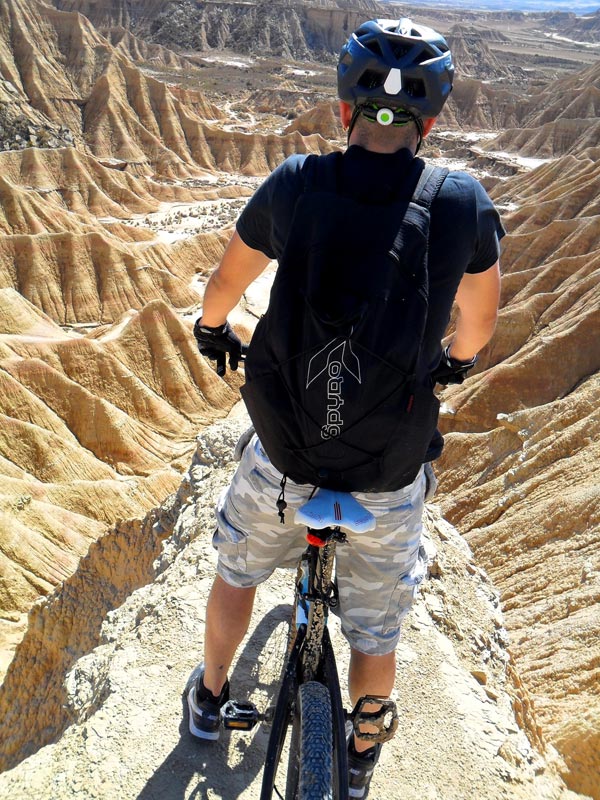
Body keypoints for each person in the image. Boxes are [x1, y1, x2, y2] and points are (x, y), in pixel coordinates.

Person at [188, 18, 503, 798]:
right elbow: (481, 326)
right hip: (388, 470)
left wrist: (211, 327)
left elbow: (224, 287)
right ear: (429, 124)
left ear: (343, 113)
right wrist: (454, 364)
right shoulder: (461, 201)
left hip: (288, 453)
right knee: (375, 630)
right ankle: (361, 744)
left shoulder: (298, 182)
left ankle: (210, 696)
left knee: (237, 573)